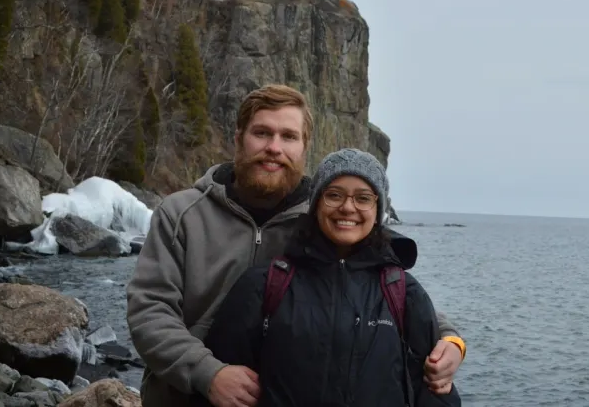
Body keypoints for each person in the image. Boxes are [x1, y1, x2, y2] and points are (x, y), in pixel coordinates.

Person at [126, 85, 466, 407]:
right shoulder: (182, 213)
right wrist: (208, 374)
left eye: (289, 136)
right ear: (238, 139)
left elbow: (379, 283)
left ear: (305, 148)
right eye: (262, 133)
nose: (274, 147)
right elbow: (149, 311)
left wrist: (450, 341)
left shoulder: (325, 219)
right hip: (180, 396)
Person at [196, 148, 462, 407]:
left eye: (363, 198)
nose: (348, 208)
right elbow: (223, 387)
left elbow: (435, 390)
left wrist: (453, 347)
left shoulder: (402, 290)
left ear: (378, 209)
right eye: (334, 195)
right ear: (315, 204)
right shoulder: (266, 283)